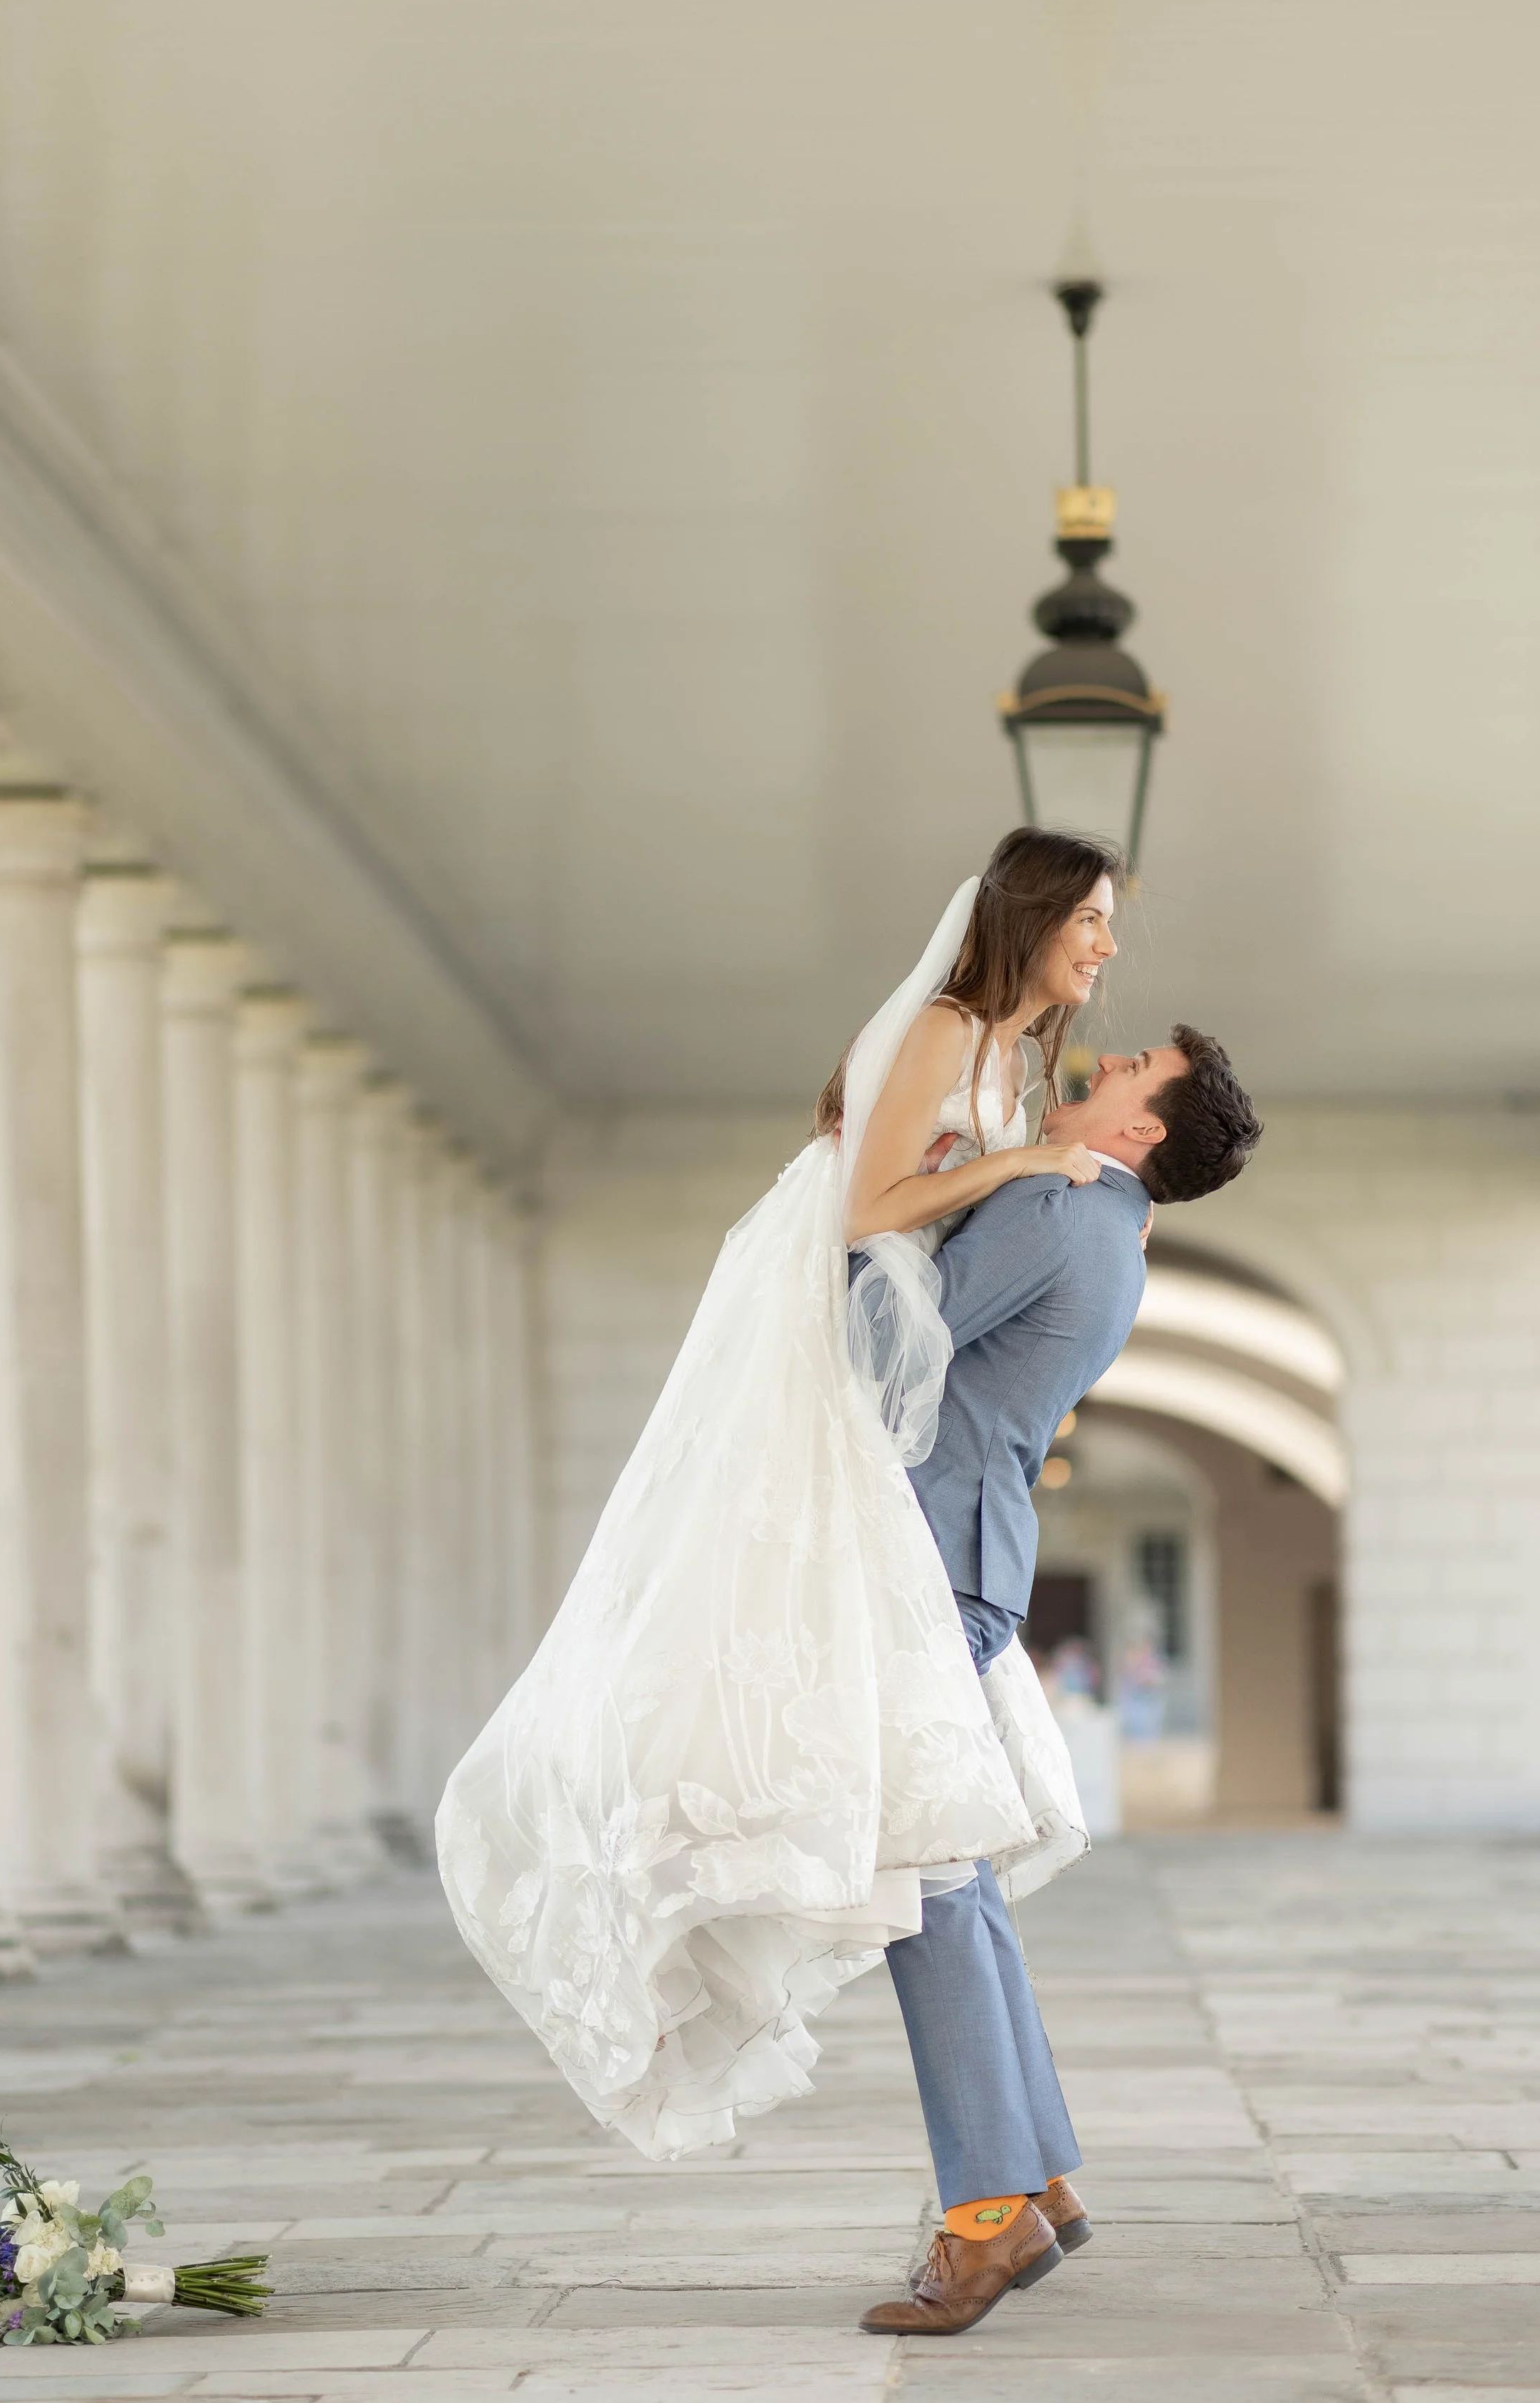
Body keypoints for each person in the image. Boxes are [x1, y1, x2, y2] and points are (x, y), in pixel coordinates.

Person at [436, 831, 1134, 2167]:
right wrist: (1027, 1170)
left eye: (1110, 924)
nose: (1106, 946)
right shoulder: (950, 1026)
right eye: (1091, 919)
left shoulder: (1021, 1067)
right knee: (929, 1845)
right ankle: (1011, 2186)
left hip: (915, 1451)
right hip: (837, 1361)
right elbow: (871, 1206)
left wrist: (1062, 1187)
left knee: (937, 1848)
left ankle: (1014, 2185)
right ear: (1032, 919)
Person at [861, 1025, 1263, 2336]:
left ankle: (985, 2220)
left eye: (1142, 1065)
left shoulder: (1055, 1201)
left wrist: (882, 1211)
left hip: (925, 1561)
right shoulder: (1111, 1232)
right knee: (952, 1871)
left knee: (924, 1879)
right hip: (972, 1559)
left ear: (1143, 1130)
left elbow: (884, 1356)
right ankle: (1034, 2175)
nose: (1119, 1049)